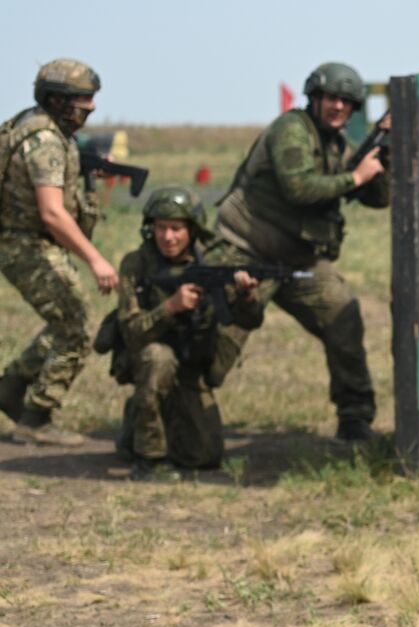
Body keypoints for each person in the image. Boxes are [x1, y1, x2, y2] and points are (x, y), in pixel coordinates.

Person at [213, 61, 389, 443]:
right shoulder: (291, 129)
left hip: (299, 262)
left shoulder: (339, 146)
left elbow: (377, 199)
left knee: (343, 316)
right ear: (314, 97)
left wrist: (381, 159)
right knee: (217, 345)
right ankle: (171, 414)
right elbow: (300, 187)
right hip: (245, 253)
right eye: (331, 98)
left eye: (347, 101)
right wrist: (355, 176)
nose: (338, 107)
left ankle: (355, 418)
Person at [101, 186, 260, 478]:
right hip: (148, 357)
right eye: (161, 228)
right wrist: (170, 308)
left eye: (176, 228)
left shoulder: (212, 263)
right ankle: (150, 459)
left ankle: (136, 424)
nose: (168, 237)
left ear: (192, 229)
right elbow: (131, 331)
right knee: (158, 358)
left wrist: (246, 296)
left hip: (191, 363)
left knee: (204, 456)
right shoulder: (136, 264)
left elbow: (248, 321)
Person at [0, 58, 116, 446]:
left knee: (64, 322)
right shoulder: (46, 140)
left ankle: (11, 388)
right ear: (58, 100)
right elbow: (52, 213)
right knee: (78, 327)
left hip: (24, 241)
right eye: (83, 98)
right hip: (25, 244)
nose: (91, 106)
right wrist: (95, 259)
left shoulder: (40, 127)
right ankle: (36, 417)